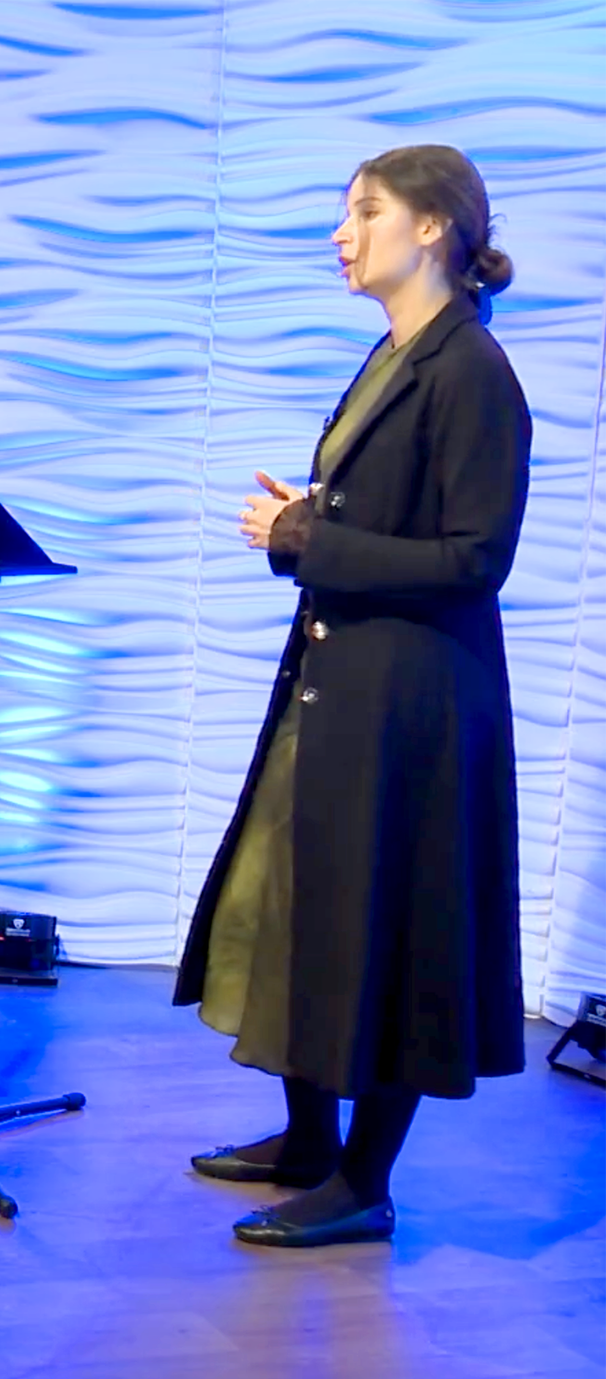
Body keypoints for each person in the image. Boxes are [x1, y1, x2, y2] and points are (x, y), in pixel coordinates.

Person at [179, 144, 529, 1248]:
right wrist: (314, 515)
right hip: (345, 683)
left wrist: (308, 536)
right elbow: (387, 516)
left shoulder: (472, 371)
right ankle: (308, 1141)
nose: (343, 233)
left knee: (390, 926)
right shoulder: (394, 353)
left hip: (414, 706)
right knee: (297, 899)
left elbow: (475, 559)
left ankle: (363, 1183)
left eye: (366, 212)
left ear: (432, 228)